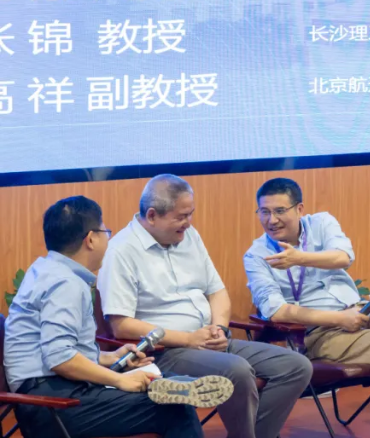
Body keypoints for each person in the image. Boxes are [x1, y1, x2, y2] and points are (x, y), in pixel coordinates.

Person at [97, 174, 313, 438]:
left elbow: (217, 291)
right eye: (182, 216)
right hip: (165, 351)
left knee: (296, 366)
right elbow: (121, 325)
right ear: (152, 215)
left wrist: (219, 329)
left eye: (191, 214)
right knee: (236, 370)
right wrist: (189, 339)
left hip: (210, 341)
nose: (189, 223)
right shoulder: (121, 250)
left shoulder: (189, 236)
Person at [3, 196, 234, 438]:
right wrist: (118, 380)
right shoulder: (65, 283)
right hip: (51, 404)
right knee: (174, 409)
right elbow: (60, 358)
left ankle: (168, 383)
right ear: (91, 239)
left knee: (165, 385)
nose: (108, 238)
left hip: (51, 393)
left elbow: (57, 350)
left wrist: (107, 358)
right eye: (105, 231)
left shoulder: (45, 270)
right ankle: (169, 387)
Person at [244, 178, 370, 437]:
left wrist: (300, 258)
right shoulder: (256, 255)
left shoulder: (321, 223)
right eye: (264, 212)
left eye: (280, 211)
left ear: (299, 209)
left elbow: (344, 257)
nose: (272, 220)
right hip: (322, 333)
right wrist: (339, 319)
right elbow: (276, 311)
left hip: (361, 310)